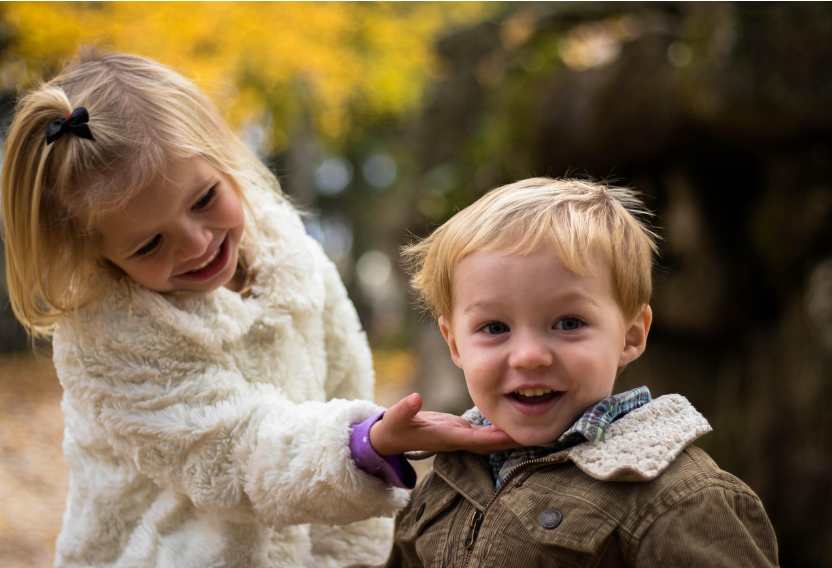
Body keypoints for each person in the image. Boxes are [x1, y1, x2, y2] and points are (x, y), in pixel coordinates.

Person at [0, 51, 516, 568]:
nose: (196, 243)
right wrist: (363, 445)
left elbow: (343, 375)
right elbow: (231, 455)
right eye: (150, 244)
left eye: (204, 199)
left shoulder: (287, 254)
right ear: (99, 255)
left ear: (224, 158)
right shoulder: (109, 338)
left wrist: (350, 548)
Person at [355, 178, 780, 567]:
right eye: (495, 328)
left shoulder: (679, 499)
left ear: (630, 336)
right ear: (455, 344)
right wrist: (365, 449)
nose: (528, 357)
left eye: (569, 323)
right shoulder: (446, 479)